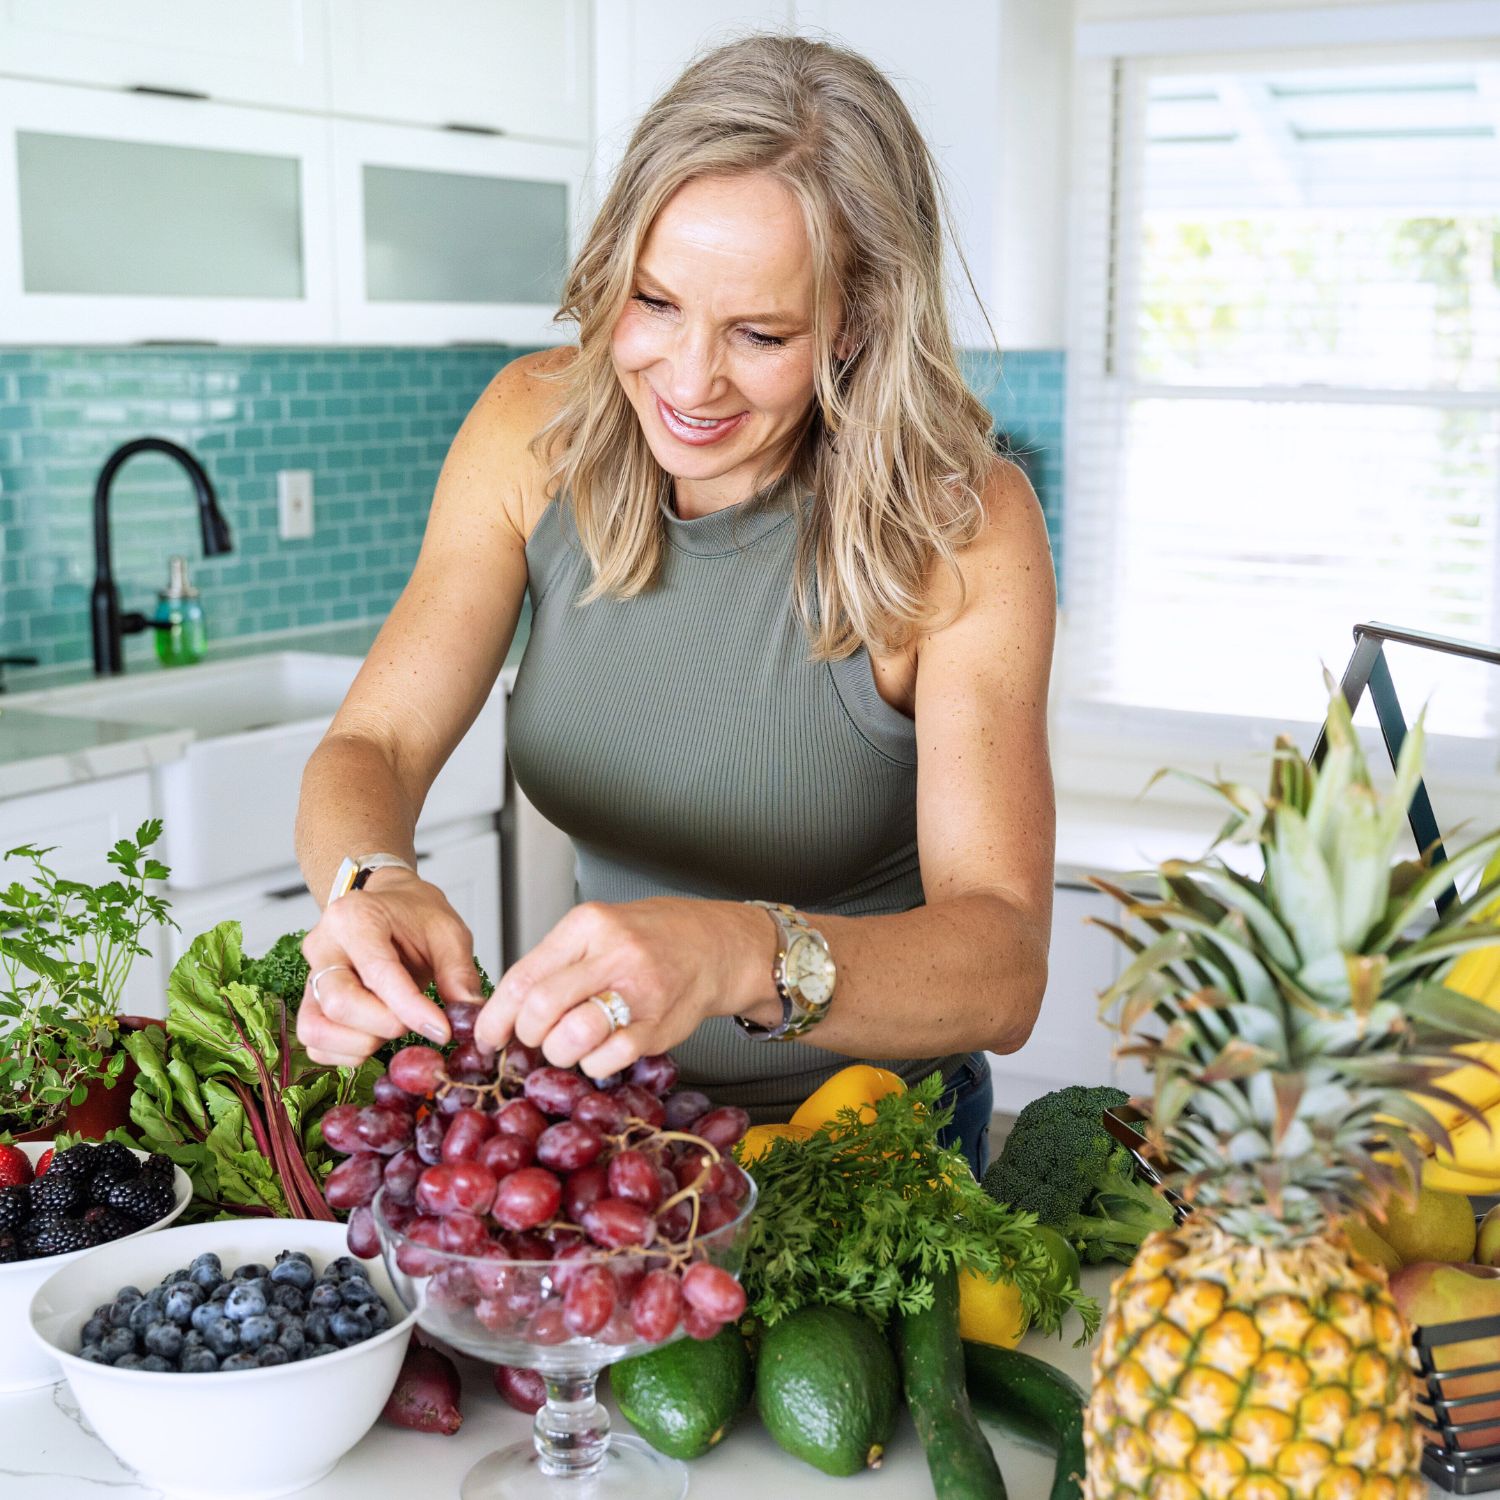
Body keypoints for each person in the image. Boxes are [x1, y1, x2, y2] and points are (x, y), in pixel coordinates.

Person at [292, 33, 1056, 1179]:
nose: (690, 380)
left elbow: (1004, 965)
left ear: (855, 323)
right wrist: (370, 881)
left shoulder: (961, 524)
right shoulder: (532, 429)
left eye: (761, 333)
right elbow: (378, 744)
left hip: (865, 1149)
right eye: (654, 302)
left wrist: (745, 952)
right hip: (603, 1131)